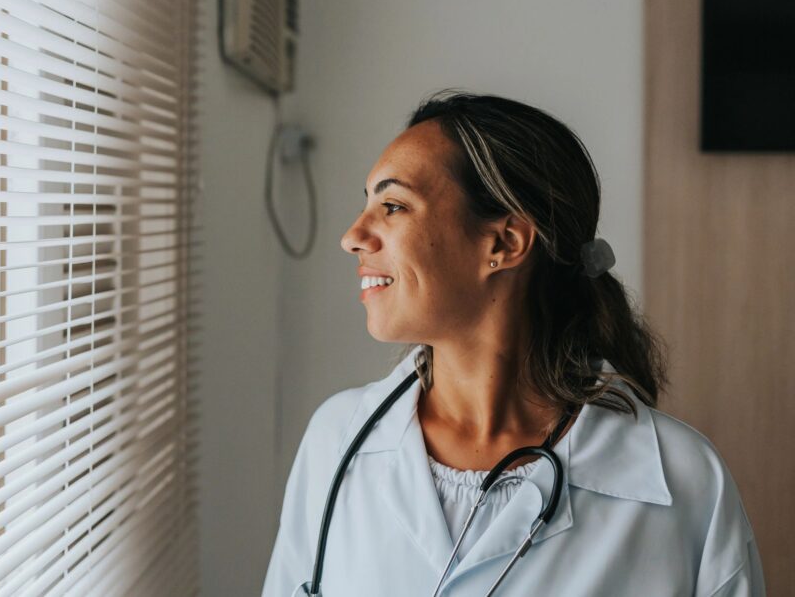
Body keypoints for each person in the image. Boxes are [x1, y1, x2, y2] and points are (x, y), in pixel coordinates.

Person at [261, 92, 765, 596]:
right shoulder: (337, 441)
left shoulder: (685, 482)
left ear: (503, 243)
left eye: (392, 206)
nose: (353, 236)